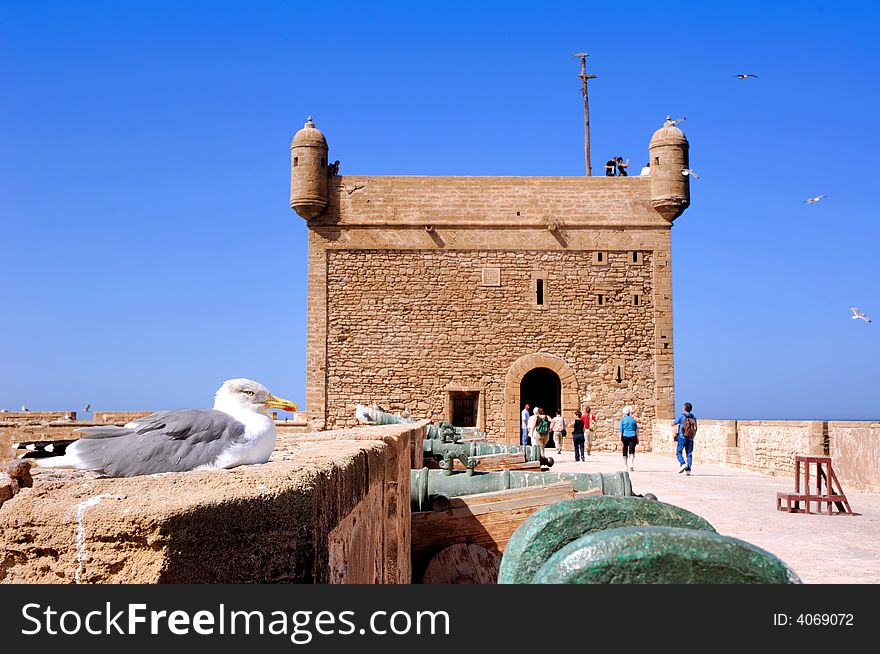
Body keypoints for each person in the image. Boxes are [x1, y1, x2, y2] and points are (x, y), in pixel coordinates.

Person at [672, 402, 698, 476]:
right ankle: (688, 470)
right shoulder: (693, 417)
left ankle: (683, 463)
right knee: (689, 454)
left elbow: (674, 423)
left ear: (684, 408)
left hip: (682, 437)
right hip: (691, 438)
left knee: (679, 452)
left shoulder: (682, 416)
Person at [619, 405, 639, 471]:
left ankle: (625, 466)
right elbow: (636, 430)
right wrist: (637, 438)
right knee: (632, 451)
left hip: (625, 436)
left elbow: (621, 431)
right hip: (633, 436)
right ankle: (631, 464)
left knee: (625, 451)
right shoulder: (633, 420)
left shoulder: (622, 420)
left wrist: (620, 440)